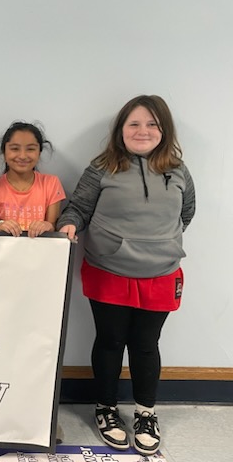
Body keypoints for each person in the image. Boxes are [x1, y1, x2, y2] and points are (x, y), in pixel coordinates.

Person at [56, 95, 196, 456]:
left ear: (163, 130)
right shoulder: (102, 167)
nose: (142, 131)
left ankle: (145, 413)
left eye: (151, 124)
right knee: (110, 341)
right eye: (134, 123)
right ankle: (105, 408)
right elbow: (79, 207)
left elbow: (187, 212)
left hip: (161, 272)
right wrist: (69, 225)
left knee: (146, 345)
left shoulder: (178, 170)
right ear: (121, 129)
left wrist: (160, 241)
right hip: (109, 270)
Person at [0, 121, 65, 237]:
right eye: (15, 149)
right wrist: (0, 226)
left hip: (40, 252)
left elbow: (52, 227)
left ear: (39, 153)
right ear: (4, 152)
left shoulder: (51, 183)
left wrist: (47, 226)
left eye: (30, 149)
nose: (23, 156)